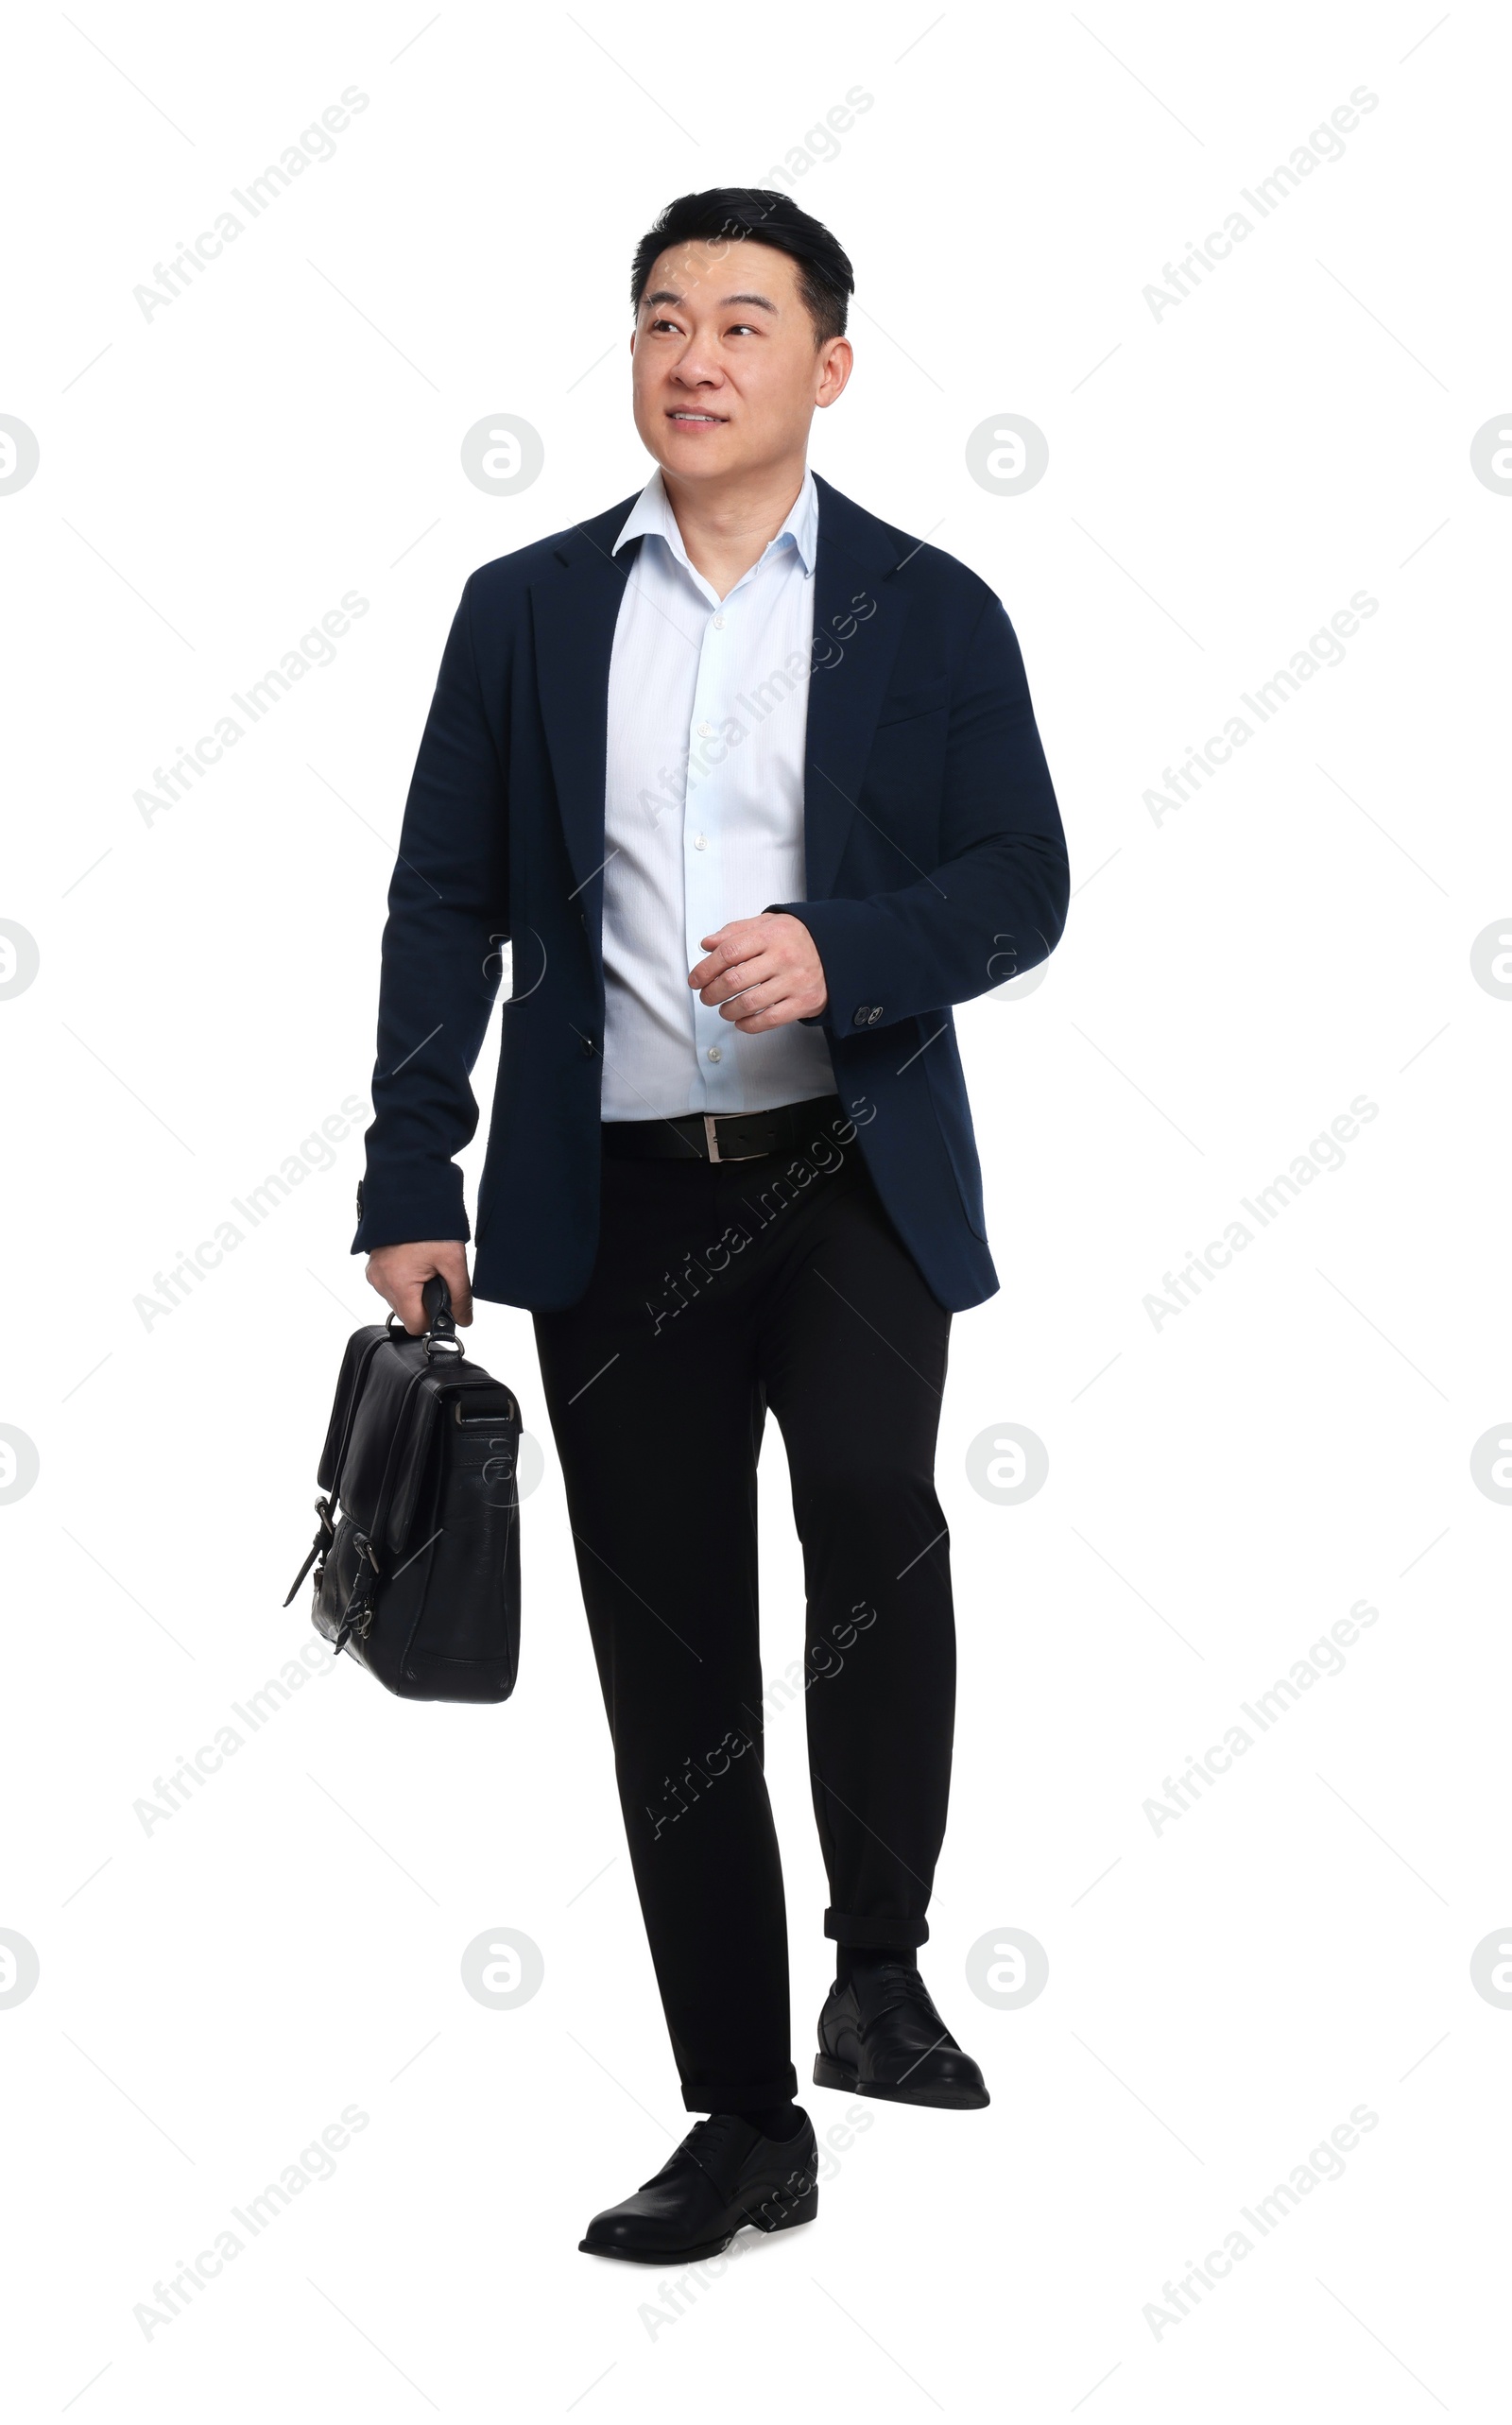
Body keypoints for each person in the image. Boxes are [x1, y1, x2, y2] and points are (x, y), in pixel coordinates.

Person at [354, 187, 1069, 2262]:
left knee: (869, 1506)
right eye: (662, 319)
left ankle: (881, 1953)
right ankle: (743, 2112)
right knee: (670, 1666)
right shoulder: (523, 609)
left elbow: (1015, 885)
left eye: (745, 324)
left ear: (826, 368)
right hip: (611, 1200)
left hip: (845, 1175)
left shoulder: (928, 612)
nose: (694, 356)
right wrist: (414, 1175)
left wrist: (836, 949)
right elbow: (441, 903)